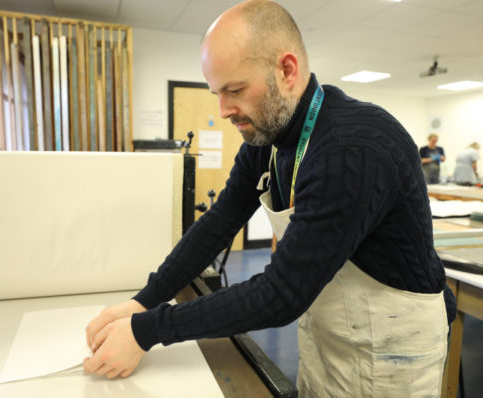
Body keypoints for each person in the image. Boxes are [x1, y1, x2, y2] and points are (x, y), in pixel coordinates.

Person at [83, 1, 456, 396]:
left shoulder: (351, 149)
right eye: (217, 93)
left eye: (236, 90)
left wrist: (147, 331)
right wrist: (144, 301)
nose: (224, 110)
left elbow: (282, 294)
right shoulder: (270, 137)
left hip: (390, 352)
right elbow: (219, 222)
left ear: (287, 70)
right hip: (331, 330)